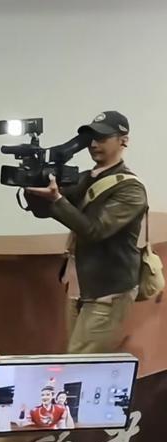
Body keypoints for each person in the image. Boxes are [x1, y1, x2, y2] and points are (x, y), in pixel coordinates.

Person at [26, 111, 147, 354]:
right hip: (80, 285)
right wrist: (33, 184)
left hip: (107, 291)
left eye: (102, 138)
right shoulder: (84, 178)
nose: (93, 144)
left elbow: (94, 230)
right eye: (91, 138)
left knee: (81, 361)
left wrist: (57, 199)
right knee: (75, 357)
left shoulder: (130, 189)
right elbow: (45, 211)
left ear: (123, 141)